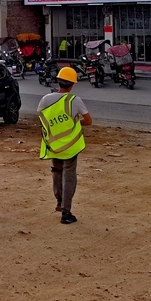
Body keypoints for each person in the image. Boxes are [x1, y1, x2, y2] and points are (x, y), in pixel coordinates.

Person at [36, 66, 93, 224]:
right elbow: (88, 121)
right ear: (72, 84)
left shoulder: (45, 99)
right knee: (69, 176)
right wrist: (73, 122)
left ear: (58, 81)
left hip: (53, 145)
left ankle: (59, 203)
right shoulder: (74, 100)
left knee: (57, 172)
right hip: (70, 146)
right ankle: (66, 212)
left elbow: (42, 117)